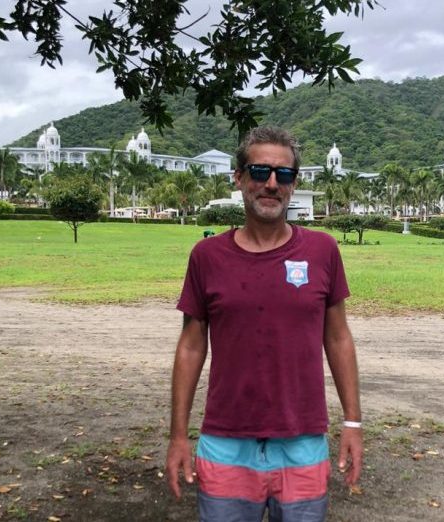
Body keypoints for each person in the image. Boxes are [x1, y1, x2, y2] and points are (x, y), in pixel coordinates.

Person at [166, 126, 362, 522]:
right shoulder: (207, 256)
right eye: (260, 172)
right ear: (238, 178)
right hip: (225, 441)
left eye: (284, 175)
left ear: (293, 184)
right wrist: (177, 435)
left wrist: (353, 422)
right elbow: (191, 346)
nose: (271, 184)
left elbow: (338, 338)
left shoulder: (322, 250)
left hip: (303, 441)